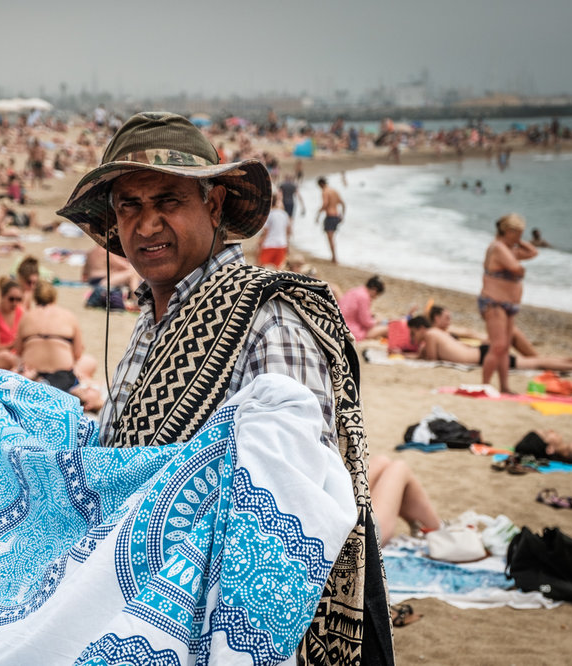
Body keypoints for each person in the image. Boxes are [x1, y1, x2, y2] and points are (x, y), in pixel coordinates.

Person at [56, 111, 393, 663]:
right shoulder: (150, 321)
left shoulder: (267, 317)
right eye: (129, 206)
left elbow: (290, 510)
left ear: (212, 205)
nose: (145, 226)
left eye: (168, 201)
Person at [479, 213, 538, 393]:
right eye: (517, 233)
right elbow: (516, 268)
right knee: (497, 345)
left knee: (504, 347)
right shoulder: (498, 248)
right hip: (494, 302)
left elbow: (533, 252)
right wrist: (517, 261)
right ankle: (485, 385)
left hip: (508, 304)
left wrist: (518, 242)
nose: (520, 237)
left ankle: (504, 386)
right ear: (508, 231)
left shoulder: (508, 248)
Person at [407, 316, 572, 372]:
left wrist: (414, 356)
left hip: (484, 356)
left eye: (413, 333)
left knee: (536, 363)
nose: (413, 337)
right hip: (481, 353)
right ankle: (571, 360)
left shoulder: (430, 335)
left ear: (421, 328)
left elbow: (431, 359)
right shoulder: (436, 333)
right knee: (535, 361)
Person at [368, 456, 441, 546]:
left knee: (381, 461)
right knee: (400, 467)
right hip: (360, 535)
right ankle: (438, 531)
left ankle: (433, 528)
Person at [428, 304, 536, 357]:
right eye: (447, 318)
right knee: (511, 331)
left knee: (511, 331)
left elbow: (469, 333)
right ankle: (535, 358)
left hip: (476, 347)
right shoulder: (437, 333)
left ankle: (535, 357)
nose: (449, 321)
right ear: (437, 318)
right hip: (475, 349)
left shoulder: (443, 331)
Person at [337, 276, 388, 341]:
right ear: (374, 290)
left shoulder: (355, 290)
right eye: (377, 294)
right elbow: (366, 322)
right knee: (386, 328)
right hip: (350, 330)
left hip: (340, 323)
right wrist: (377, 321)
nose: (375, 297)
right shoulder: (364, 297)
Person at [256, 192, 291, 269]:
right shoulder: (284, 214)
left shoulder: (269, 214)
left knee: (262, 268)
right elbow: (288, 231)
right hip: (282, 244)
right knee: (277, 270)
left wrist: (260, 243)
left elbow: (266, 232)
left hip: (269, 244)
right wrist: (287, 245)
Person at [315, 176, 345, 263]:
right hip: (337, 216)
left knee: (330, 238)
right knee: (332, 238)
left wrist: (318, 214)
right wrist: (342, 215)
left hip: (330, 217)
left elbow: (325, 204)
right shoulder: (334, 191)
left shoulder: (325, 191)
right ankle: (334, 257)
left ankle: (334, 257)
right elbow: (343, 203)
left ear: (321, 184)